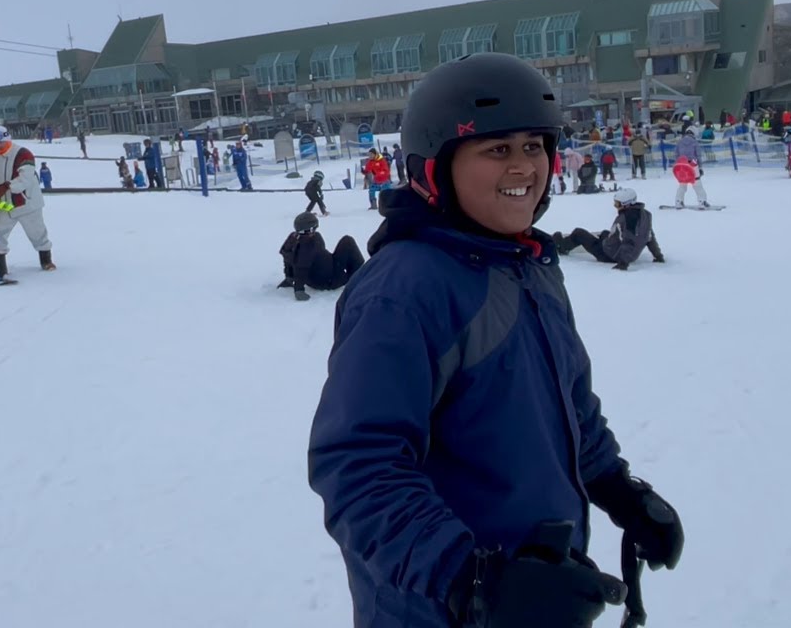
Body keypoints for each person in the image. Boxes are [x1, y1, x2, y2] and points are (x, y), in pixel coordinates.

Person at [307, 53, 683, 628]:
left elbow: (569, 405)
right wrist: (471, 579)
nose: (524, 166)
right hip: (442, 609)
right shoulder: (405, 290)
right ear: (436, 168)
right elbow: (359, 466)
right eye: (497, 149)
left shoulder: (528, 265)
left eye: (534, 145)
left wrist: (617, 489)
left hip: (539, 590)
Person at [0, 125, 55, 273]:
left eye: (0, 141)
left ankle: (46, 260)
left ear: (7, 138)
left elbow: (25, 179)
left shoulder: (24, 154)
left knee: (37, 233)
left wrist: (7, 186)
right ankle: (0, 267)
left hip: (27, 203)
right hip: (5, 205)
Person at [554, 187, 665, 270]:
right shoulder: (645, 215)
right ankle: (602, 240)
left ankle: (561, 247)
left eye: (618, 204)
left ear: (626, 204)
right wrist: (658, 255)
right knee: (604, 233)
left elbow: (629, 241)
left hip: (609, 255)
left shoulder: (627, 218)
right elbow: (649, 236)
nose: (616, 207)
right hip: (625, 253)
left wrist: (623, 263)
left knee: (578, 233)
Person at [277, 212, 363, 301]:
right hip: (330, 280)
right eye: (315, 228)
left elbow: (288, 257)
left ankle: (358, 275)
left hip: (318, 276)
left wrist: (289, 277)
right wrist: (299, 290)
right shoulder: (309, 245)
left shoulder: (293, 238)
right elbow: (301, 267)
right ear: (311, 229)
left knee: (343, 244)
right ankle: (360, 277)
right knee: (348, 241)